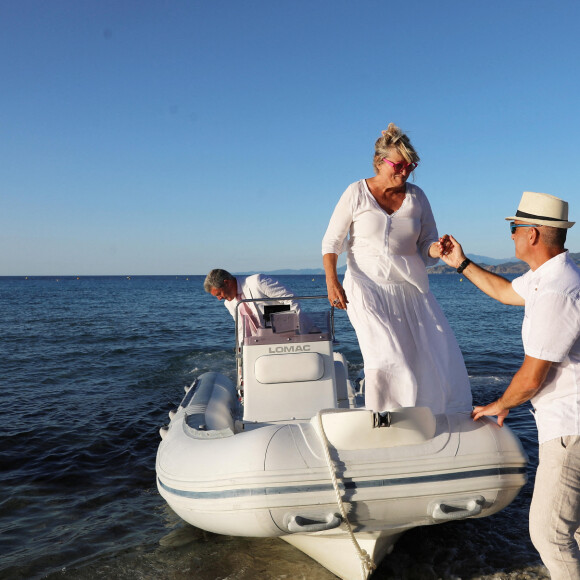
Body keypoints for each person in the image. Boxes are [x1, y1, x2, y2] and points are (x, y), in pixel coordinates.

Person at [439, 191, 580, 578]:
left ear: (533, 234)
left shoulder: (557, 291)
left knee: (550, 534)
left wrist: (500, 404)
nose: (512, 236)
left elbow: (533, 377)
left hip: (571, 427)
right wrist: (461, 263)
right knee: (574, 531)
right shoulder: (545, 277)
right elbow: (504, 291)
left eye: (515, 229)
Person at [321, 123, 472, 415]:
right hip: (365, 287)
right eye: (399, 165)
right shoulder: (356, 192)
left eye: (411, 165)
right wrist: (331, 281)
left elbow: (426, 242)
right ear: (380, 162)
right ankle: (383, 419)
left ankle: (427, 414)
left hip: (410, 290)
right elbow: (332, 241)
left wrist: (436, 249)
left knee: (430, 356)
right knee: (385, 355)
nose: (405, 171)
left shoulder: (417, 197)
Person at [203, 269, 297, 340]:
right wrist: (241, 356)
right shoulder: (229, 304)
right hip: (260, 342)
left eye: (219, 294)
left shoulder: (257, 282)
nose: (219, 299)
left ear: (227, 283)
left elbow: (291, 300)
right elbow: (241, 329)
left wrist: (299, 336)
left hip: (289, 336)